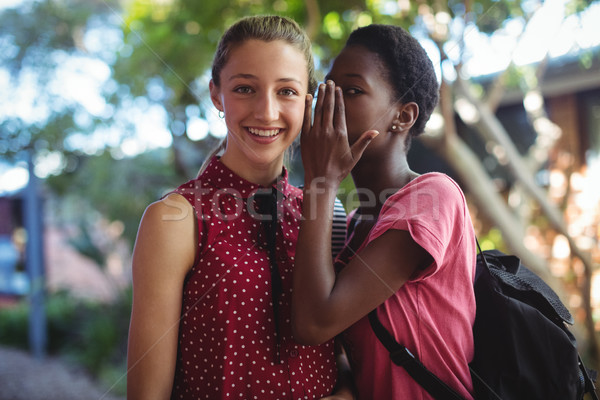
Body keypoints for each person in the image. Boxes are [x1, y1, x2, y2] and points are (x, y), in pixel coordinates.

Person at [127, 15, 352, 400]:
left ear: (307, 100)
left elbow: (346, 365)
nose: (266, 112)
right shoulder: (176, 220)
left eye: (286, 91)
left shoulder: (329, 215)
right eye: (245, 88)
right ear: (216, 94)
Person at [292, 24, 476, 399]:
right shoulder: (357, 223)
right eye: (328, 87)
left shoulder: (433, 197)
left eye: (353, 90)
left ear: (403, 117)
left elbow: (314, 323)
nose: (332, 102)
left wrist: (321, 182)